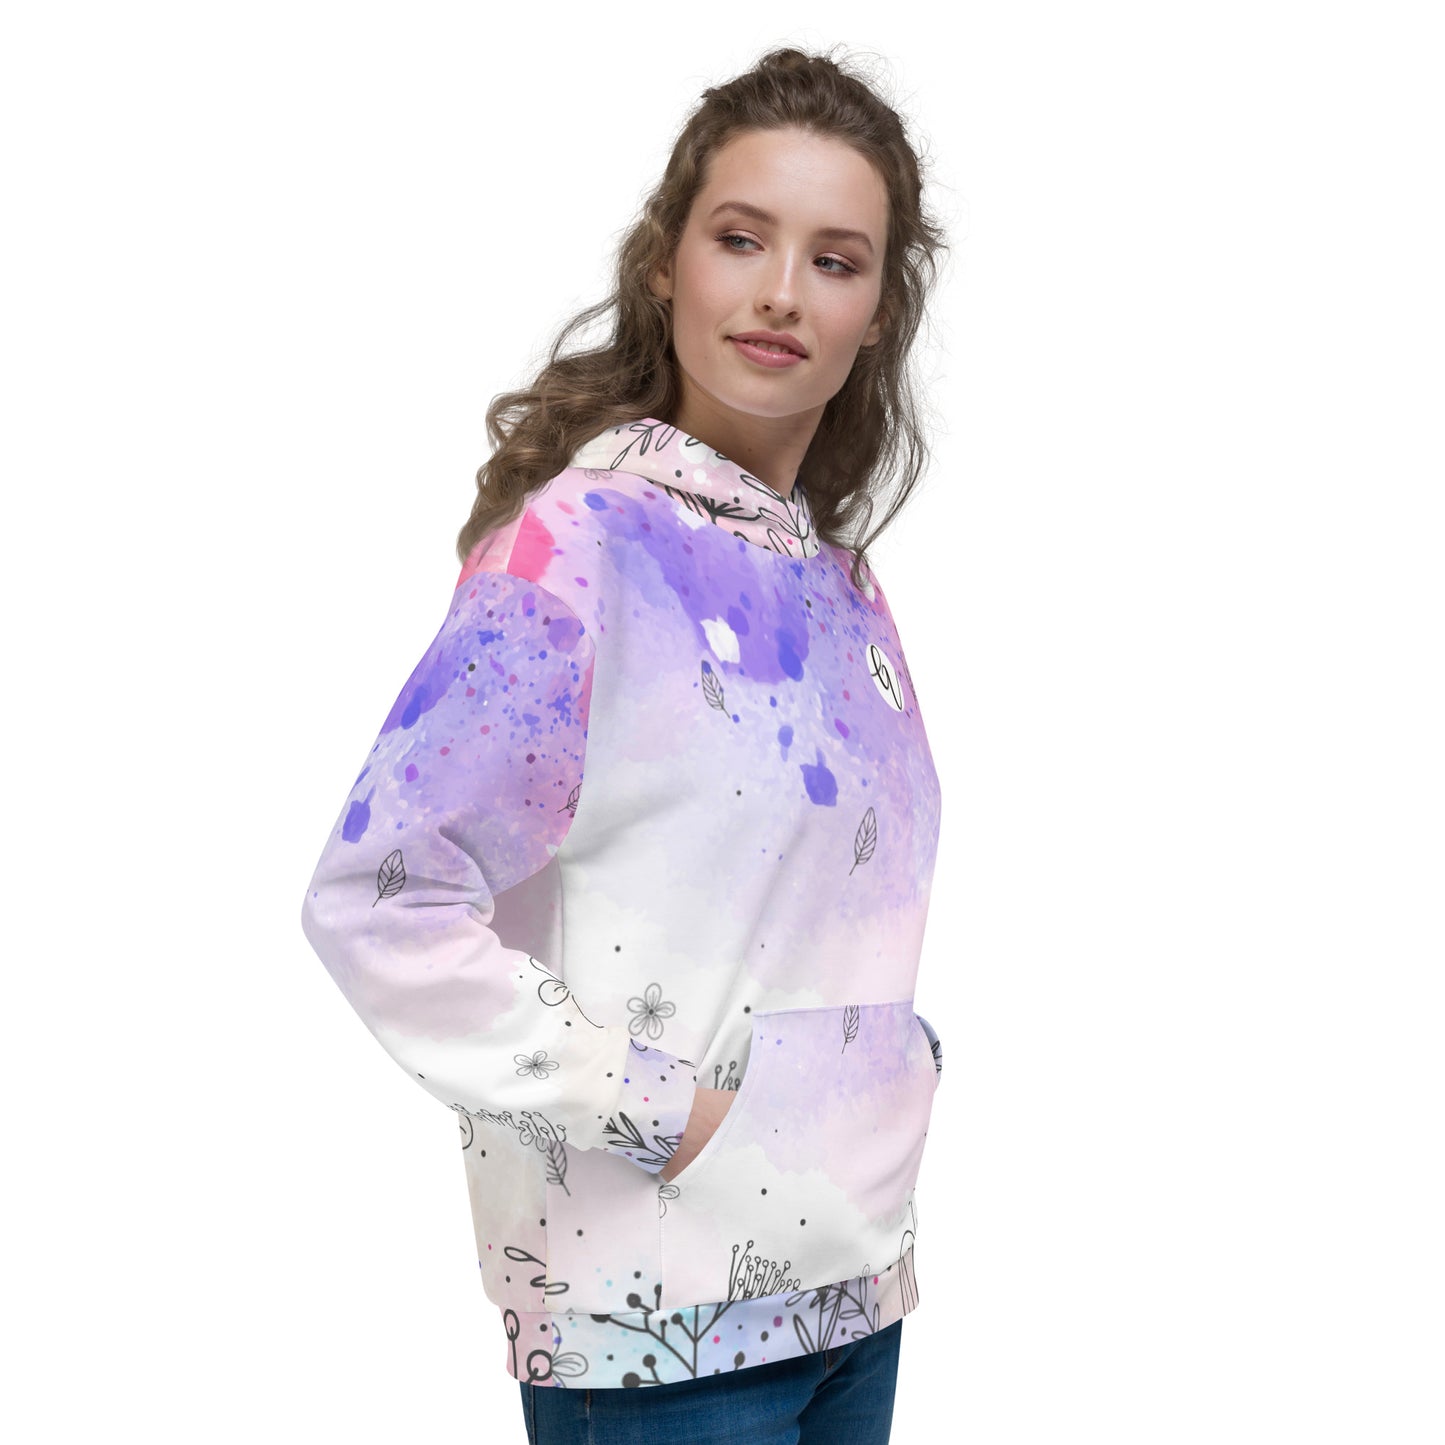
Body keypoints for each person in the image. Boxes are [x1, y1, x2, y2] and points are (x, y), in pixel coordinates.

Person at [299, 44, 948, 1445]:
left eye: (836, 260)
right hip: (650, 1332)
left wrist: (891, 1071)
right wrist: (669, 1109)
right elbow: (381, 898)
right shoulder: (580, 550)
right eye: (741, 239)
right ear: (666, 263)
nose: (782, 292)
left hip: (854, 1293)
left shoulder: (843, 590)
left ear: (877, 315)